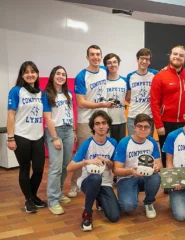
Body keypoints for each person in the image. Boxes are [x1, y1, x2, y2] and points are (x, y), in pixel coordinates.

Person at [68, 45, 113, 198]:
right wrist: (102, 105)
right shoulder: (82, 76)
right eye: (92, 54)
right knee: (82, 154)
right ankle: (75, 184)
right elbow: (81, 102)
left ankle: (103, 180)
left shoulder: (104, 71)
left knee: (103, 152)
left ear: (101, 56)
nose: (95, 57)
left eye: (98, 54)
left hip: (103, 120)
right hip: (86, 121)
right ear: (87, 57)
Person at [67, 110, 120, 231]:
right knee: (96, 178)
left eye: (104, 123)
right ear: (93, 127)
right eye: (97, 124)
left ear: (108, 125)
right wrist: (86, 162)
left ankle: (98, 199)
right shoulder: (88, 143)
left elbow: (114, 169)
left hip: (106, 182)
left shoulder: (113, 143)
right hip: (88, 181)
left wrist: (108, 161)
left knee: (114, 217)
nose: (101, 126)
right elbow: (69, 168)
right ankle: (87, 213)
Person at [7, 61, 46, 213]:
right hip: (21, 135)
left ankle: (33, 195)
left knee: (38, 169)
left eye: (33, 71)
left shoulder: (40, 92)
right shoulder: (16, 91)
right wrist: (10, 138)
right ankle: (29, 199)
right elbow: (11, 115)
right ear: (22, 75)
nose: (30, 74)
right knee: (24, 169)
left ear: (37, 74)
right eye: (26, 72)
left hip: (38, 136)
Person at [150, 45, 185, 168]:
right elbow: (154, 103)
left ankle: (182, 182)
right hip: (166, 123)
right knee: (167, 154)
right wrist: (158, 125)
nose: (178, 57)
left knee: (182, 153)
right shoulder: (160, 76)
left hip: (184, 122)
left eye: (181, 55)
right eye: (175, 54)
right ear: (170, 55)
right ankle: (168, 183)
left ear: (184, 59)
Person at [113, 113, 162, 218]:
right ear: (134, 127)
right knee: (128, 207)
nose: (143, 129)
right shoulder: (125, 142)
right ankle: (131, 191)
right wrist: (131, 171)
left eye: (146, 127)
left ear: (150, 129)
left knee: (156, 177)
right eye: (140, 126)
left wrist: (156, 168)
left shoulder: (152, 142)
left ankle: (148, 202)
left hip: (145, 176)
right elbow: (116, 170)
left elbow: (159, 164)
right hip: (127, 178)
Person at [43, 66, 76, 215]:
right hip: (55, 132)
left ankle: (59, 193)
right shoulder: (48, 94)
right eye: (58, 74)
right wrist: (55, 137)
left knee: (65, 165)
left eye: (64, 74)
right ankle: (52, 200)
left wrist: (73, 130)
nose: (61, 76)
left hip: (68, 130)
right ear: (52, 76)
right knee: (55, 167)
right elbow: (48, 118)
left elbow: (71, 113)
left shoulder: (68, 94)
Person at [127, 48, 158, 137]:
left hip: (149, 117)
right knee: (133, 143)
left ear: (150, 61)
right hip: (133, 116)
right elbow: (128, 97)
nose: (144, 61)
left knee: (147, 144)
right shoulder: (130, 76)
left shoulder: (154, 74)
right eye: (142, 58)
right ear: (137, 59)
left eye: (147, 59)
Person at [103, 53, 128, 142]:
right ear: (105, 65)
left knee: (120, 148)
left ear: (118, 64)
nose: (112, 65)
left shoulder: (125, 81)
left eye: (115, 62)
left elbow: (128, 98)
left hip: (121, 121)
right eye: (109, 63)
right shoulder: (103, 82)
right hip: (106, 121)